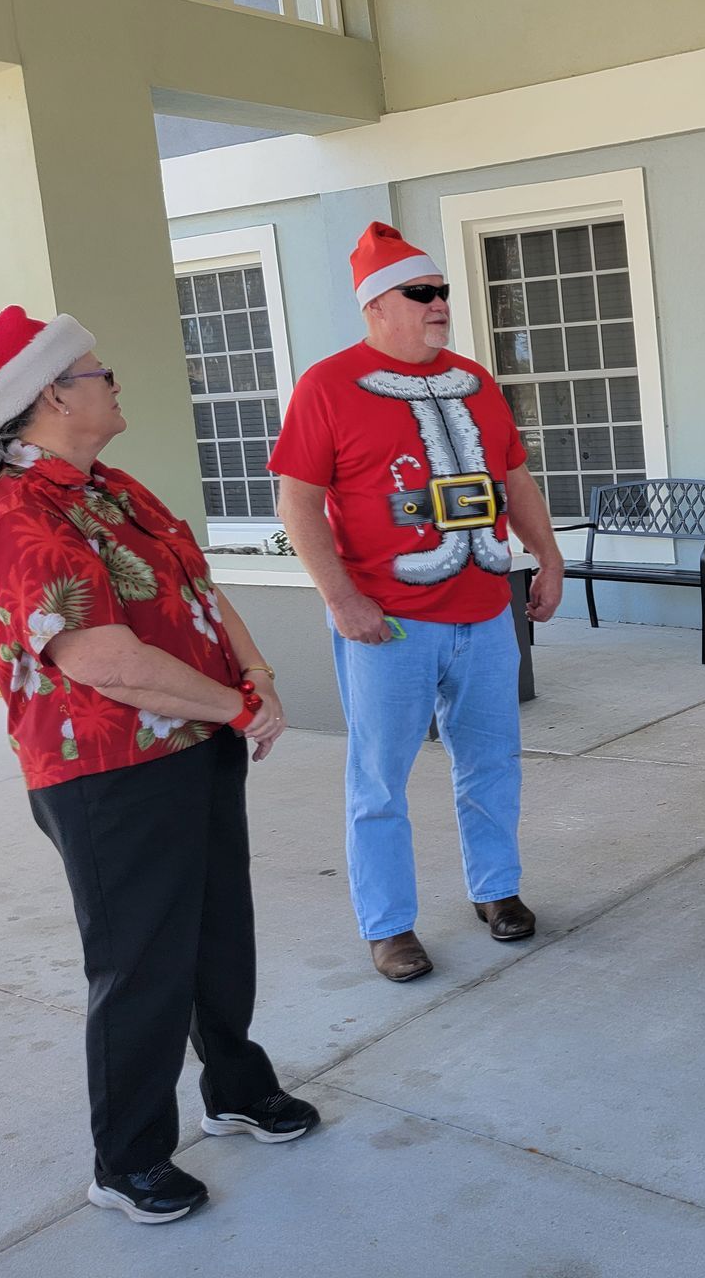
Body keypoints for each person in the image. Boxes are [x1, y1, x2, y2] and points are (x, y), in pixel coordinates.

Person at [0, 306, 316, 1225]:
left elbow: (199, 589)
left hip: (195, 744)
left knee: (220, 932)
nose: (113, 379)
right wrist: (236, 704)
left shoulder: (110, 487)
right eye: (97, 370)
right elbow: (97, 657)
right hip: (107, 774)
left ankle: (234, 1085)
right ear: (53, 393)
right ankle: (129, 1159)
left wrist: (253, 674)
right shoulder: (14, 514)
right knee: (141, 963)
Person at [271, 222, 564, 982]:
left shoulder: (477, 380)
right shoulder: (327, 386)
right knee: (379, 780)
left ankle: (497, 891)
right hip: (388, 626)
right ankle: (389, 925)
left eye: (442, 293)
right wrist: (340, 597)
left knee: (493, 763)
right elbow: (298, 502)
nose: (440, 305)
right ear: (376, 306)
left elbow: (516, 480)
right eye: (422, 293)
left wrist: (548, 557)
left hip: (483, 613)